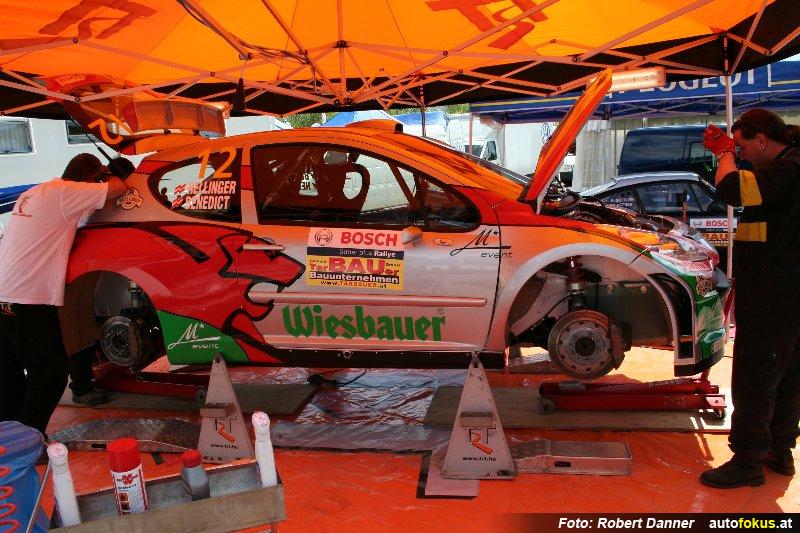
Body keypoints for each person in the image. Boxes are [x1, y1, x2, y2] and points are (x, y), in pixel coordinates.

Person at [700, 109, 800, 488]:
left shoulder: (787, 170)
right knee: (787, 372)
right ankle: (778, 450)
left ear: (761, 138)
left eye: (743, 148)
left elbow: (732, 190)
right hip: (785, 290)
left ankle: (747, 461)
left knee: (755, 374)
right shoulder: (789, 167)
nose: (742, 157)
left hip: (774, 292)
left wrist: (724, 153)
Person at [0, 153, 126, 435]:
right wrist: (109, 174)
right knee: (51, 373)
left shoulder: (37, 191)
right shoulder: (65, 193)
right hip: (28, 296)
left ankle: (9, 440)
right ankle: (29, 438)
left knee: (10, 376)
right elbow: (119, 188)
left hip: (4, 292)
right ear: (90, 180)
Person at [67, 156, 136, 406]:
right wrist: (108, 176)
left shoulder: (83, 195)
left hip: (83, 269)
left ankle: (87, 378)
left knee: (83, 327)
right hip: (73, 270)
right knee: (76, 329)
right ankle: (81, 388)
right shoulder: (88, 196)